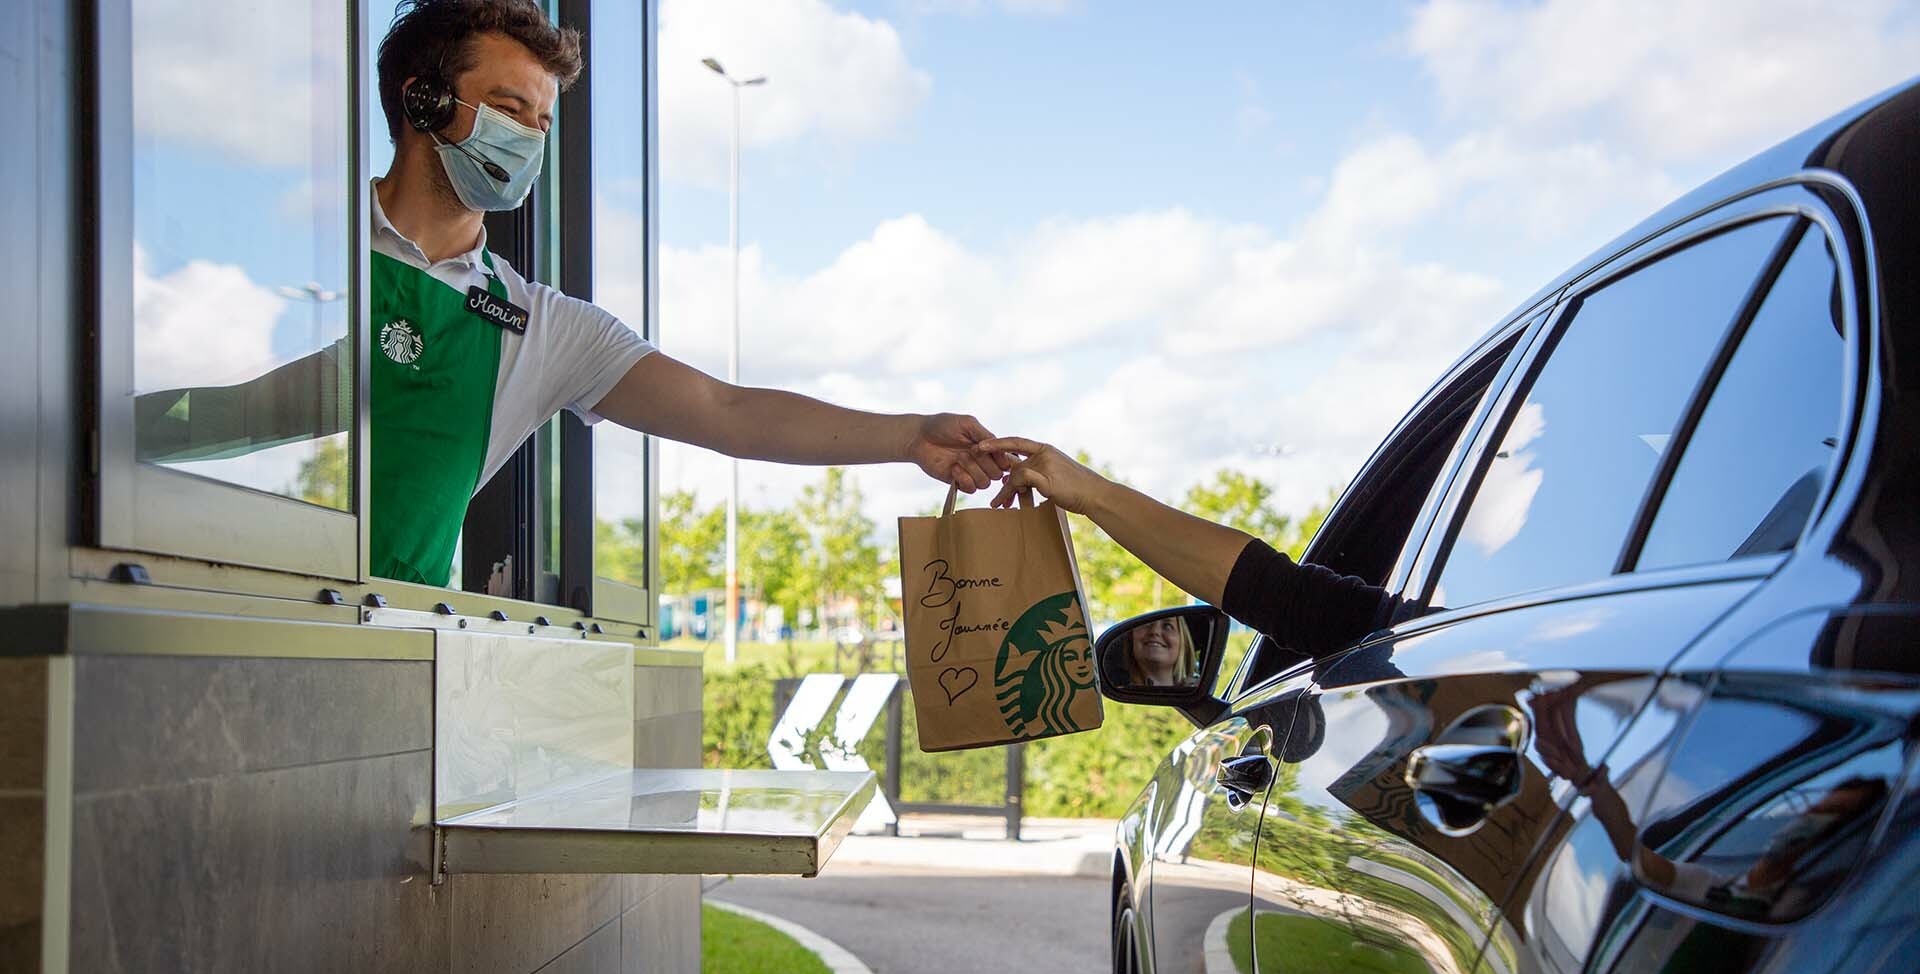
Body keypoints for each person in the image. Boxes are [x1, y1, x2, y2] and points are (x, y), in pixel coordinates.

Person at [136, 0, 1006, 586]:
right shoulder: (309, 246)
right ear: (424, 98)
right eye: (509, 107)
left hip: (380, 648)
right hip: (190, 595)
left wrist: (908, 437)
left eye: (542, 123)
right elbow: (227, 415)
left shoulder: (539, 327)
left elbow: (726, 408)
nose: (528, 140)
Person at [978, 438, 1401, 658]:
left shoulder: (1413, 642)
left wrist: (1096, 496)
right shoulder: (1428, 640)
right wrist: (1092, 495)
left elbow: (1292, 603)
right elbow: (1297, 603)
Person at [1124, 615, 1196, 687]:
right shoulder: (1117, 693)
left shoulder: (1196, 691)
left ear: (1182, 643)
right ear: (1131, 638)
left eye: (1167, 626)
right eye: (1146, 623)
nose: (1155, 631)